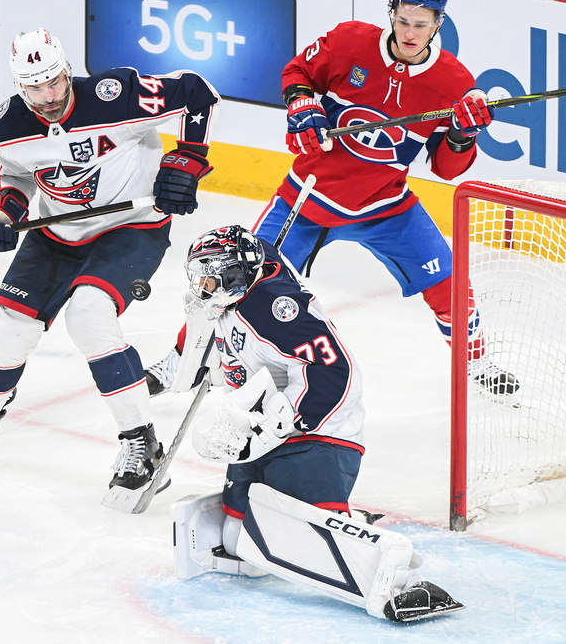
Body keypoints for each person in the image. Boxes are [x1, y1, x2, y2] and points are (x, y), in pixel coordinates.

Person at [146, 0, 517, 398]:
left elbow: (448, 169)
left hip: (386, 206)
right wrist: (302, 104)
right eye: (403, 20)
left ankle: (476, 360)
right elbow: (298, 72)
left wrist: (462, 134)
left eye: (421, 23)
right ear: (391, 14)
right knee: (237, 276)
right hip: (306, 198)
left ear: (438, 24)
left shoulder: (453, 83)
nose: (410, 32)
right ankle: (184, 360)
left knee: (448, 282)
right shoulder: (350, 42)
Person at [0, 28, 220, 507]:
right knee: (8, 328)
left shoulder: (114, 97)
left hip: (132, 228)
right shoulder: (7, 124)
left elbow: (197, 91)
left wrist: (188, 159)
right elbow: (14, 180)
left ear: (68, 71)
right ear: (18, 87)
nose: (47, 96)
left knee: (89, 318)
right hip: (57, 234)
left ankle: (139, 442)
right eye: (35, 88)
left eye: (54, 82)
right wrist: (3, 216)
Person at [170, 225, 464, 623]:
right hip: (268, 425)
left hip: (319, 430)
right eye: (199, 275)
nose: (203, 286)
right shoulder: (230, 298)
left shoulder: (274, 308)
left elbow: (335, 369)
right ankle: (341, 519)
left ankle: (399, 581)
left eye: (212, 275)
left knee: (300, 538)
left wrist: (285, 422)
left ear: (237, 273)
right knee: (239, 541)